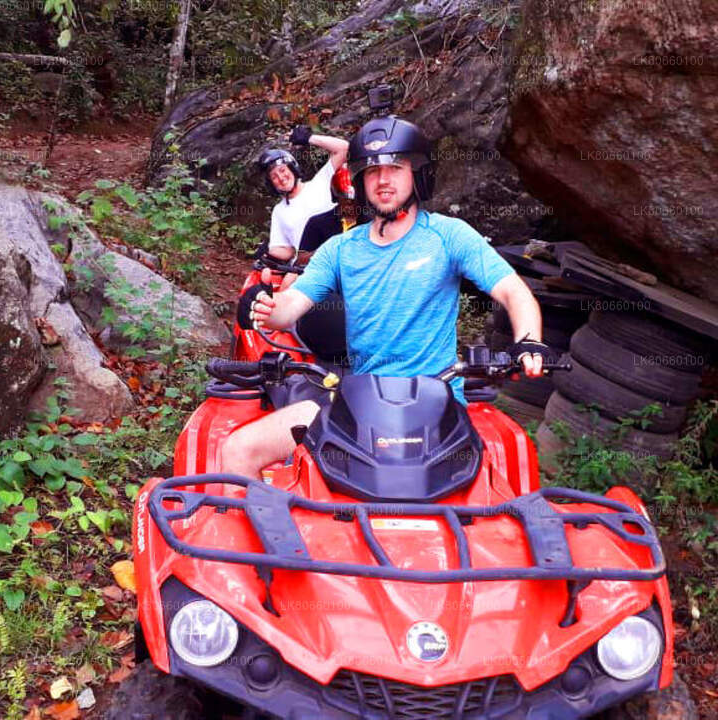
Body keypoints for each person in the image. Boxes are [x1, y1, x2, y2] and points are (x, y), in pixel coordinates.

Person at [219, 115, 547, 480]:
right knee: (237, 451)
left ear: (418, 173)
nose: (384, 180)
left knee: (499, 481)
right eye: (372, 171)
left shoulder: (450, 236)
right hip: (360, 406)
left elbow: (513, 291)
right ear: (359, 181)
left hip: (438, 405)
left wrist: (529, 342)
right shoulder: (340, 249)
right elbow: (289, 307)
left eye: (396, 166)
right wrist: (262, 304)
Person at [257, 125, 350, 262]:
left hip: (338, 256)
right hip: (306, 266)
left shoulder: (320, 182)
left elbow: (343, 148)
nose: (281, 178)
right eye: (274, 177)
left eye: (283, 171)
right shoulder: (279, 211)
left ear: (293, 169)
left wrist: (309, 138)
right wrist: (269, 250)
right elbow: (287, 251)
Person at [297, 166, 371, 257]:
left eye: (354, 199)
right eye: (344, 197)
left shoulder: (372, 223)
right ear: (336, 197)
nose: (349, 202)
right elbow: (300, 261)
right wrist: (330, 250)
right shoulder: (317, 223)